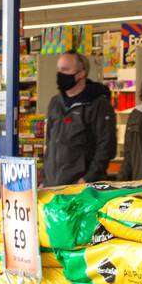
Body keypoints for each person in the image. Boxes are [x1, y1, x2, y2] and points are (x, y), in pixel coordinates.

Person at [44, 50, 116, 185]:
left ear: (81, 73)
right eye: (59, 70)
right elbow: (49, 143)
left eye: (65, 70)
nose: (60, 74)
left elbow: (106, 147)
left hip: (81, 188)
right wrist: (44, 179)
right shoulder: (55, 103)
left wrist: (87, 179)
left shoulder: (98, 105)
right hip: (52, 185)